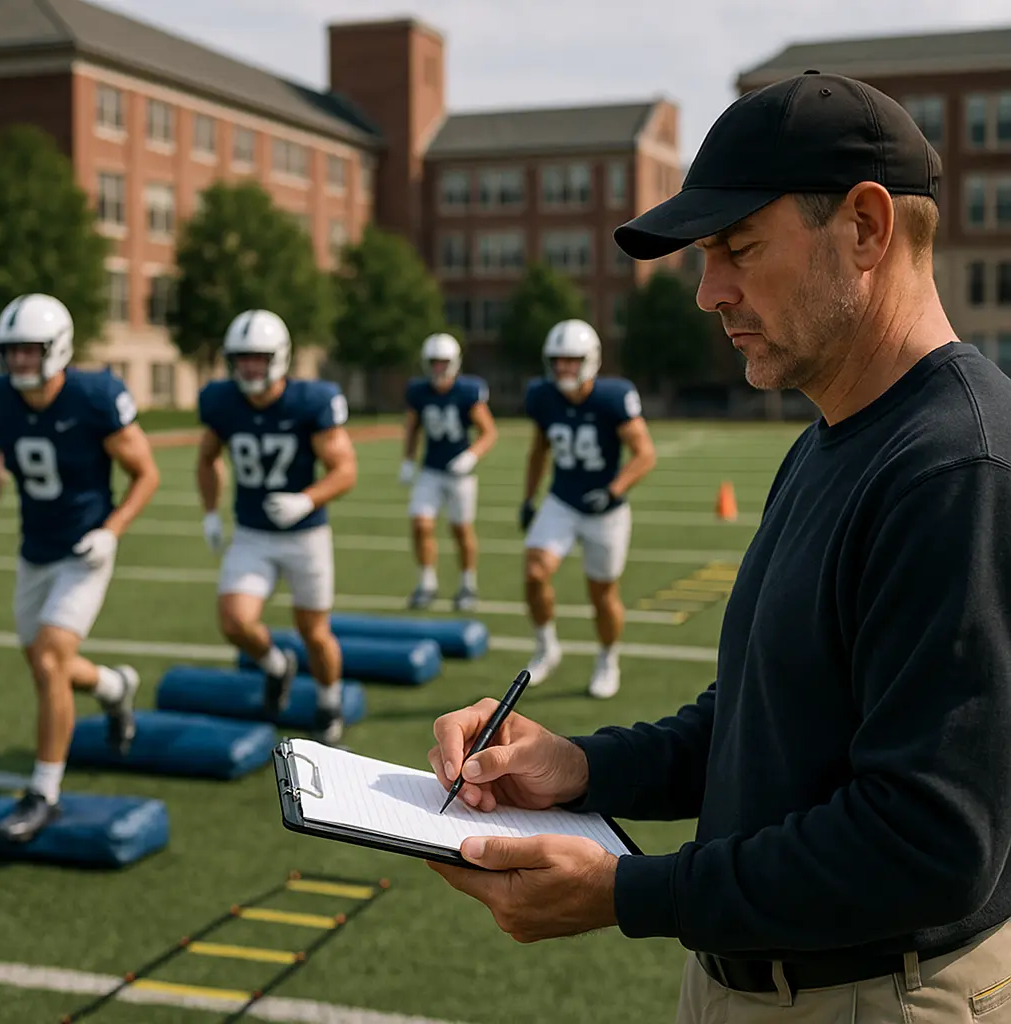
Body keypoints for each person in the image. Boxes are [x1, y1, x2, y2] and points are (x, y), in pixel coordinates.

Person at [424, 72, 1011, 1021]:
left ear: (866, 228)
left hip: (874, 997)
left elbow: (929, 844)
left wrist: (626, 893)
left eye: (738, 248)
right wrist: (581, 766)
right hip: (765, 978)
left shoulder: (955, 468)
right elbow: (763, 718)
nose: (709, 292)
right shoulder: (835, 436)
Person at [0, 293, 160, 842]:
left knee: (50, 658)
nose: (18, 362)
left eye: (29, 350)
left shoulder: (94, 396)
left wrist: (111, 531)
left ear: (57, 349)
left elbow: (146, 473)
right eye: (10, 351)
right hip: (34, 548)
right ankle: (113, 688)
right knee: (45, 666)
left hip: (84, 550)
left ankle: (45, 790)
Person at [196, 309, 357, 747]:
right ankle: (274, 665)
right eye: (241, 358)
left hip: (305, 536)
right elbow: (207, 457)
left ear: (280, 358)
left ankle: (328, 701)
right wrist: (211, 512)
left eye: (258, 357)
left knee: (314, 631)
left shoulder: (310, 401)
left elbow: (344, 470)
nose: (249, 367)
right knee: (234, 621)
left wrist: (306, 499)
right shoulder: (222, 401)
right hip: (252, 534)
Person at [518, 319, 656, 698]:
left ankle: (607, 658)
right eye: (557, 360)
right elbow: (539, 450)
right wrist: (529, 498)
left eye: (571, 360)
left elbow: (644, 454)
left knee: (602, 594)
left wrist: (612, 491)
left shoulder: (612, 397)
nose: (563, 368)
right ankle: (547, 647)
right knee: (534, 573)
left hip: (606, 512)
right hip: (562, 500)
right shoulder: (543, 396)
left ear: (590, 360)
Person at [399, 333, 497, 611]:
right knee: (420, 525)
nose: (438, 369)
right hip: (430, 470)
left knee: (461, 530)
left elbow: (488, 432)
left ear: (454, 363)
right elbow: (412, 428)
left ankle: (468, 584)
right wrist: (408, 460)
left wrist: (470, 456)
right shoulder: (418, 392)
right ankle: (427, 583)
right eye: (433, 363)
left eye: (443, 363)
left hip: (460, 475)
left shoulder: (467, 391)